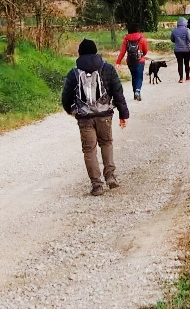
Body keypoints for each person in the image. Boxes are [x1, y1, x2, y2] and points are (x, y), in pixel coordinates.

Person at [61, 39, 131, 195]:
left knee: (89, 150)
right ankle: (110, 176)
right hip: (104, 115)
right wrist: (123, 114)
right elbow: (118, 92)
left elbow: (66, 97)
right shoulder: (107, 68)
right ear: (95, 52)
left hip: (84, 118)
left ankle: (96, 185)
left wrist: (71, 111)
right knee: (106, 143)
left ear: (80, 53)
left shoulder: (73, 73)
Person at [116, 25, 150, 101]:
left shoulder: (126, 39)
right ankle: (137, 91)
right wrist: (142, 55)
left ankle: (135, 93)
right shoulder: (141, 38)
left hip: (130, 61)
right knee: (139, 77)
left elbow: (122, 51)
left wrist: (118, 62)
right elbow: (146, 50)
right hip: (140, 60)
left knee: (134, 76)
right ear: (138, 30)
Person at [171, 16, 190, 81]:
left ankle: (181, 78)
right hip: (186, 49)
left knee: (180, 64)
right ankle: (187, 76)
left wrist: (177, 42)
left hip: (177, 50)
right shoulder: (187, 30)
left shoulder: (174, 30)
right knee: (187, 63)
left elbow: (172, 39)